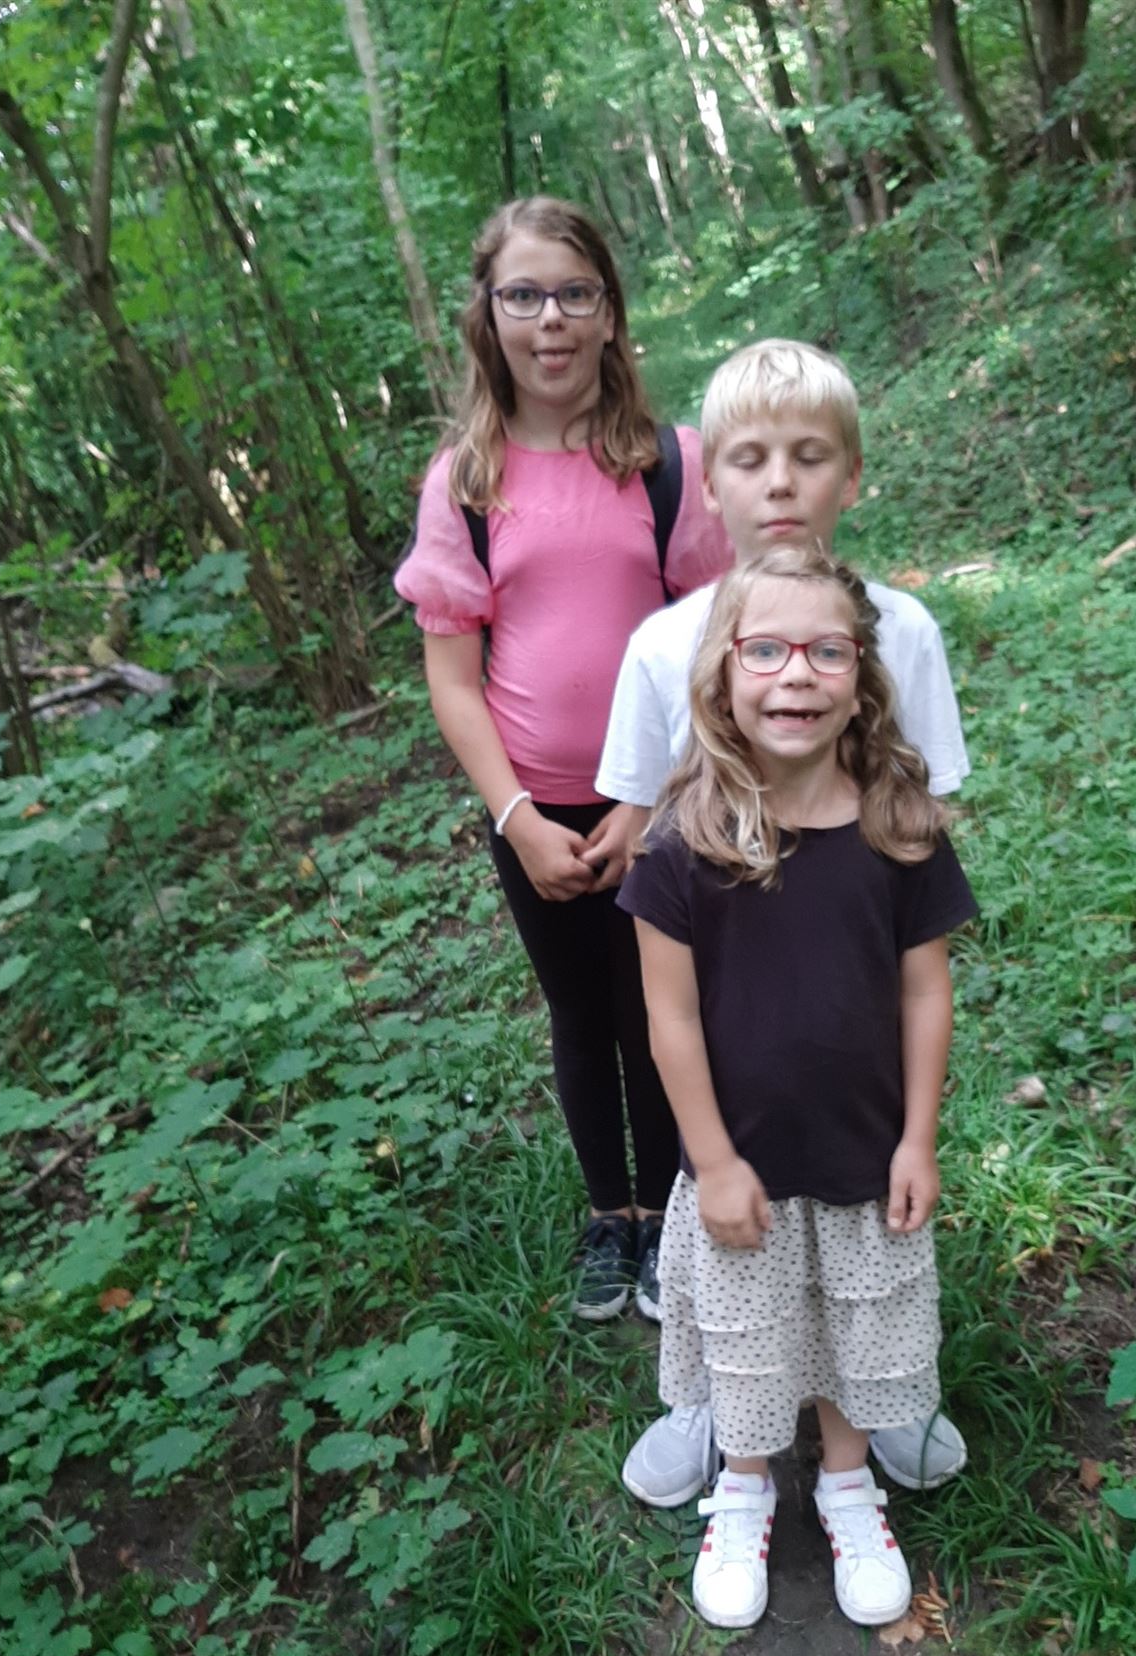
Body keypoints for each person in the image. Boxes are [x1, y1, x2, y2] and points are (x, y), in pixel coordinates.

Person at [599, 339, 971, 1505]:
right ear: (709, 483)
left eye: (809, 457)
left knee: (862, 1219)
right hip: (730, 1002)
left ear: (850, 476)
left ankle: (880, 1388)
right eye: (750, 459)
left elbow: (925, 809)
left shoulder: (904, 628)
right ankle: (719, 1402)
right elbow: (646, 819)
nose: (780, 483)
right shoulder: (663, 644)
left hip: (851, 1007)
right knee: (734, 1228)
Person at [618, 547, 977, 1628]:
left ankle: (847, 1482)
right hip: (745, 1167)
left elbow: (925, 991)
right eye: (766, 650)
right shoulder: (681, 844)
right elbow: (670, 1020)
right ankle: (743, 1487)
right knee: (752, 1335)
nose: (796, 676)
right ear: (723, 673)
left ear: (862, 676)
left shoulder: (897, 830)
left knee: (858, 1328)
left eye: (827, 652)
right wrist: (713, 1162)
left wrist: (918, 1139)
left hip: (866, 1153)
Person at [394, 197, 732, 1320]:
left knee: (661, 1010)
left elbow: (716, 645)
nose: (551, 319)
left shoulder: (670, 466)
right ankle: (611, 1216)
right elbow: (455, 680)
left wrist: (652, 800)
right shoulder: (465, 483)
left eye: (575, 294)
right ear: (488, 317)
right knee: (582, 1010)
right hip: (533, 809)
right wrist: (517, 819)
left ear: (610, 313)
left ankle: (678, 1213)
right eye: (525, 295)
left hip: (665, 800)